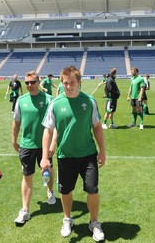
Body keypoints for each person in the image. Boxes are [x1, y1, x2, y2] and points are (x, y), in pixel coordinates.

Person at [41, 66, 106, 242]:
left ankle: (94, 222)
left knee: (92, 190)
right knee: (66, 190)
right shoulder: (55, 104)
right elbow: (47, 130)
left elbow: (97, 127)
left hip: (88, 155)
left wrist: (102, 152)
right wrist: (45, 157)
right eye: (65, 83)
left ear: (79, 82)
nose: (68, 86)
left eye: (71, 83)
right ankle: (67, 219)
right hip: (65, 156)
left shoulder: (90, 101)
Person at [12, 71, 57, 225]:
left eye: (32, 82)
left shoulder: (49, 99)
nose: (29, 85)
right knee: (27, 176)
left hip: (45, 146)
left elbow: (55, 125)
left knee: (47, 170)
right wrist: (13, 140)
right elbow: (16, 122)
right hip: (26, 145)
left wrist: (52, 143)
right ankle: (25, 210)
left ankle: (50, 191)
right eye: (27, 83)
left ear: (39, 82)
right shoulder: (21, 100)